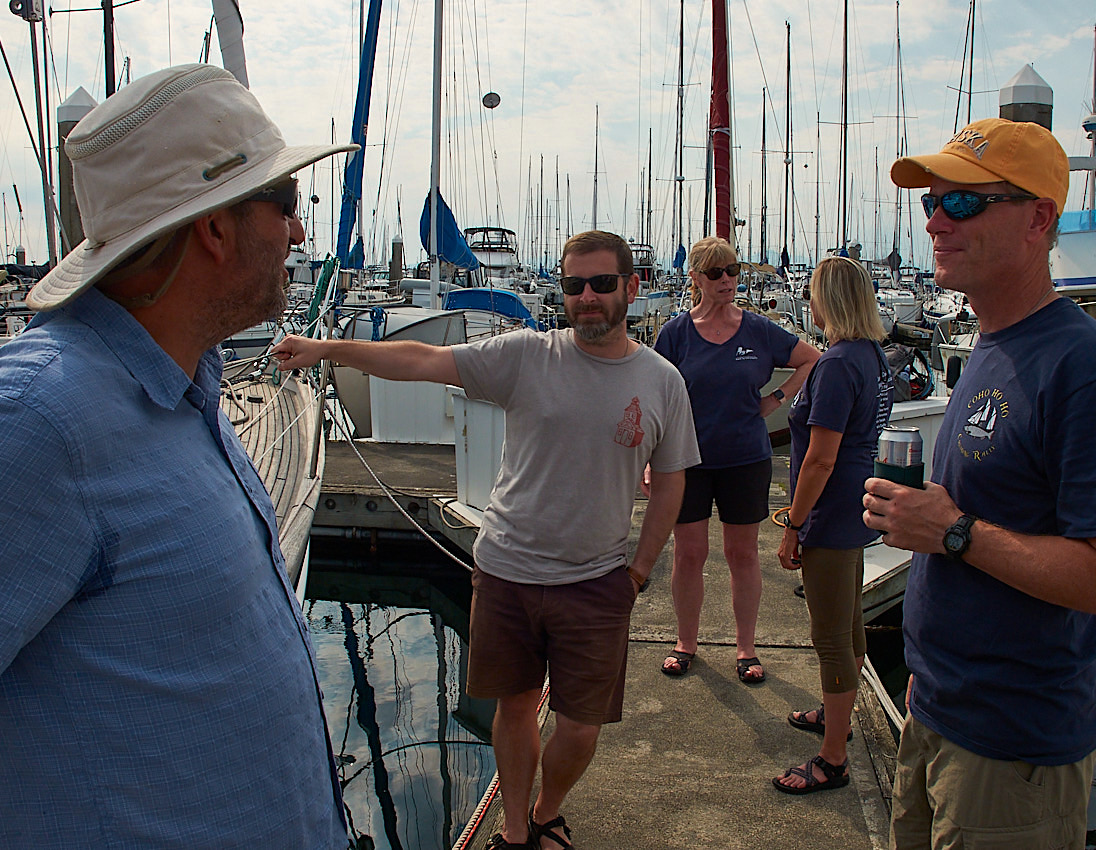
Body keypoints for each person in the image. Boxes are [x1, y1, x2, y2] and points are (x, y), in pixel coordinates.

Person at [0, 65, 356, 846]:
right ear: (215, 229)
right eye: (286, 204)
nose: (299, 233)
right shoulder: (38, 422)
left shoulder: (189, 386)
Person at [273, 230, 700, 850]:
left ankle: (549, 809)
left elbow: (670, 484)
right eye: (573, 284)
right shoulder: (527, 355)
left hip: (597, 579)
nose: (586, 297)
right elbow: (421, 361)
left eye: (602, 284)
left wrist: (636, 571)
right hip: (506, 572)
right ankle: (516, 827)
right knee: (515, 708)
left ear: (631, 289)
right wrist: (323, 348)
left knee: (581, 728)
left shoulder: (662, 380)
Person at [863, 117, 1096, 847]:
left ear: (1037, 219)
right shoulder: (990, 343)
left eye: (961, 204)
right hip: (939, 715)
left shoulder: (1084, 370)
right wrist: (925, 673)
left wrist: (951, 532)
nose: (933, 223)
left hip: (1010, 753)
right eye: (930, 203)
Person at [652, 236, 818, 682]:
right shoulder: (676, 333)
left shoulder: (759, 329)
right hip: (688, 459)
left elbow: (811, 359)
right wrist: (652, 457)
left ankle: (746, 648)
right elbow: (653, 395)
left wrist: (776, 399)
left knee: (741, 553)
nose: (726, 281)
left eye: (733, 271)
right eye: (715, 273)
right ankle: (686, 641)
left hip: (745, 457)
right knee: (690, 553)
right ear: (696, 279)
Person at [772, 256, 894, 795]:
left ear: (830, 301)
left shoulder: (839, 363)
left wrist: (794, 524)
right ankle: (835, 712)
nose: (809, 301)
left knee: (830, 636)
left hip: (830, 512)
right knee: (849, 624)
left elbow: (821, 458)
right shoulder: (871, 356)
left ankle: (833, 758)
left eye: (813, 292)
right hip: (855, 506)